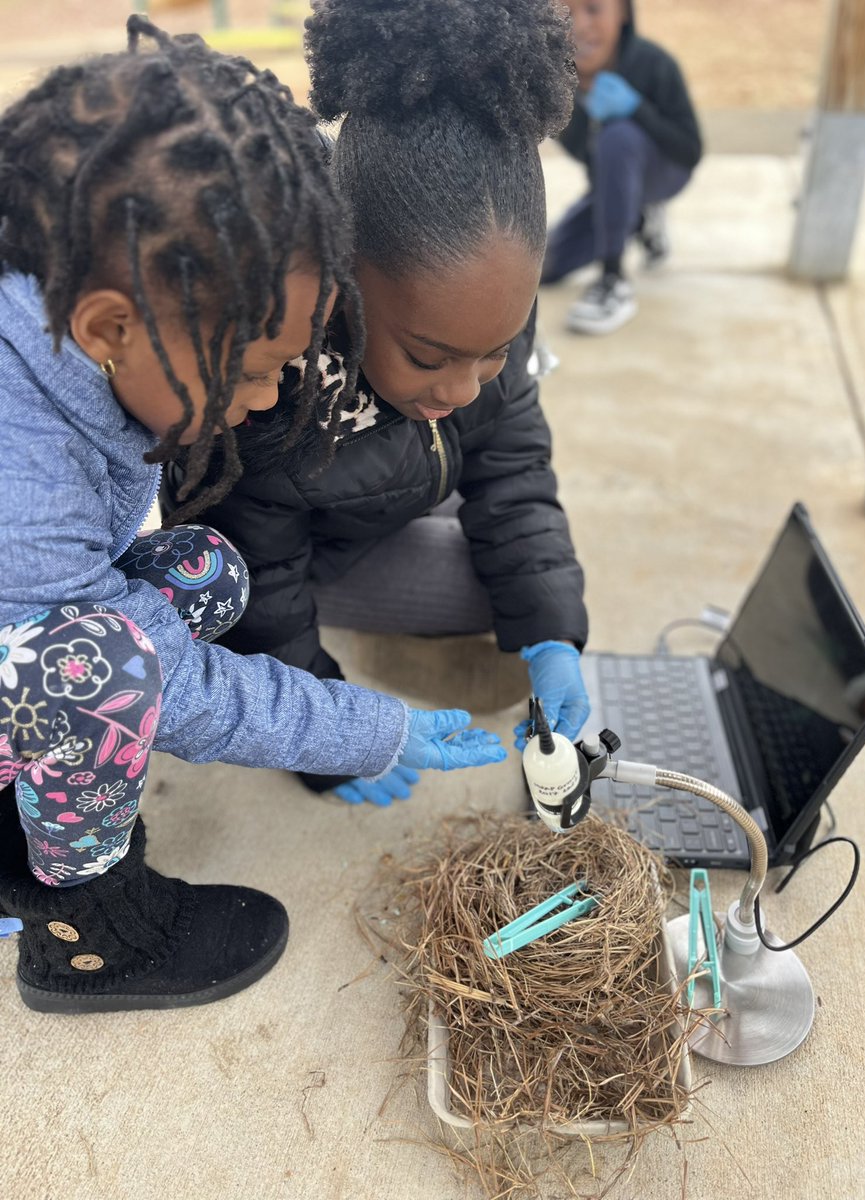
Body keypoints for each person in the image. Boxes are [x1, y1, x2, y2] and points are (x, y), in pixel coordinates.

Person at [0, 18, 506, 1015]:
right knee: (101, 675)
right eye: (257, 366)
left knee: (202, 570)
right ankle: (90, 933)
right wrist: (362, 729)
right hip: (47, 656)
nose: (273, 398)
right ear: (110, 325)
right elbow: (152, 686)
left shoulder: (65, 336)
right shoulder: (19, 458)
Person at [167, 0, 592, 810]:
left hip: (391, 491)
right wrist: (332, 734)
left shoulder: (484, 304)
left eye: (496, 350)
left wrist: (549, 631)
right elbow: (261, 588)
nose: (467, 386)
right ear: (341, 283)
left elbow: (512, 458)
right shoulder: (270, 382)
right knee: (460, 596)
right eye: (429, 357)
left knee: (531, 591)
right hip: (300, 552)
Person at [543, 0, 702, 335]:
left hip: (665, 170)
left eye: (593, 9)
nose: (580, 25)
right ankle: (639, 217)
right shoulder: (554, 84)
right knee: (543, 267)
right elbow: (592, 168)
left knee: (618, 136)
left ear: (624, 12)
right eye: (565, 12)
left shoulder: (654, 63)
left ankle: (612, 280)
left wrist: (637, 110)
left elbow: (690, 151)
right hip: (611, 183)